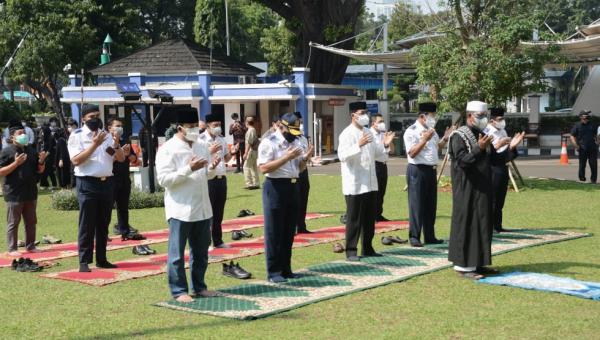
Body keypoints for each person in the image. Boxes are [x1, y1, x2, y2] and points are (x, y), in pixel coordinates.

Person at [156, 107, 221, 302]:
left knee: (201, 252)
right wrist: (188, 168)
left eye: (195, 126)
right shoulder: (168, 149)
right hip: (180, 209)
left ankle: (199, 287)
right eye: (190, 127)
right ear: (179, 128)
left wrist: (211, 168)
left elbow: (204, 175)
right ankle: (179, 291)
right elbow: (164, 180)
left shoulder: (200, 145)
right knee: (177, 254)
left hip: (202, 207)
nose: (194, 130)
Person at [68, 104, 125, 272]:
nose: (95, 119)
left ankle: (102, 259)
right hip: (87, 183)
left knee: (103, 223)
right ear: (84, 119)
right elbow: (76, 160)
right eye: (91, 116)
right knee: (87, 223)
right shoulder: (77, 136)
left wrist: (116, 144)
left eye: (97, 116)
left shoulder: (106, 135)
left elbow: (120, 158)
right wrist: (94, 145)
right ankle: (84, 261)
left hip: (106, 182)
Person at [447, 100, 498, 280]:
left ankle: (479, 263)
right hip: (466, 188)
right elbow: (462, 161)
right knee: (468, 223)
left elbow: (495, 160)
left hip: (482, 187)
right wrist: (479, 149)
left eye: (485, 116)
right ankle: (463, 266)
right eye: (481, 116)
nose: (484, 119)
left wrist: (512, 148)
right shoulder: (458, 135)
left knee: (482, 224)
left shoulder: (482, 134)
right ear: (470, 116)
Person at [338, 102, 395, 261]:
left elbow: (378, 153)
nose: (365, 116)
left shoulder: (368, 132)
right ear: (353, 115)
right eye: (362, 112)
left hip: (370, 182)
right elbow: (342, 156)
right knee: (354, 219)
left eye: (366, 113)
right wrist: (358, 144)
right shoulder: (346, 134)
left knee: (369, 219)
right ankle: (351, 250)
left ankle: (368, 248)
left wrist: (385, 143)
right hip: (355, 183)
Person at [257, 112, 307, 283]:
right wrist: (287, 157)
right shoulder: (269, 142)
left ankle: (286, 269)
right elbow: (264, 169)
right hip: (275, 187)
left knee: (288, 230)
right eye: (290, 131)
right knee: (274, 231)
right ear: (281, 126)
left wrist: (305, 160)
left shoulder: (297, 140)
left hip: (293, 186)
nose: (293, 136)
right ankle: (274, 271)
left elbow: (298, 168)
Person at [403, 103, 452, 247]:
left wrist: (445, 138)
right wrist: (424, 139)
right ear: (422, 116)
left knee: (431, 205)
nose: (434, 118)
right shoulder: (411, 131)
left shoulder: (432, 131)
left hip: (431, 170)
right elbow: (411, 153)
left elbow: (437, 147)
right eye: (432, 115)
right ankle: (414, 236)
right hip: (417, 170)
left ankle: (430, 236)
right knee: (417, 204)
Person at [0, 121, 47, 256]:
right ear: (12, 137)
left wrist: (42, 161)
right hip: (14, 192)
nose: (23, 135)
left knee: (31, 221)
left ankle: (30, 246)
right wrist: (16, 163)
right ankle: (12, 248)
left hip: (30, 191)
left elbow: (39, 171)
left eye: (24, 133)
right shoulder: (6, 151)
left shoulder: (31, 150)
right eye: (20, 133)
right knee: (13, 222)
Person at [485, 108, 525, 233]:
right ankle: (489, 227)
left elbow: (507, 151)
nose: (502, 121)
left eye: (503, 119)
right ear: (492, 120)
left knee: (501, 199)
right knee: (493, 199)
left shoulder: (502, 130)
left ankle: (498, 226)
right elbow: (489, 151)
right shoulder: (486, 131)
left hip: (503, 165)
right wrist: (500, 144)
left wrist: (512, 146)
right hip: (492, 168)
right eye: (499, 119)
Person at [200, 114, 232, 248]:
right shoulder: (200, 140)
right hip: (209, 178)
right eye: (215, 125)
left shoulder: (221, 139)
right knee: (208, 212)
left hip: (221, 178)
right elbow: (197, 158)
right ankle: (206, 242)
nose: (218, 127)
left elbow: (226, 159)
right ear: (208, 126)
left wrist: (232, 152)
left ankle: (218, 240)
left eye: (219, 124)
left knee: (219, 212)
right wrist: (209, 150)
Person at [108, 118, 142, 238]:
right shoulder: (106, 142)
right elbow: (107, 158)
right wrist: (120, 152)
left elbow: (134, 159)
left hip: (124, 178)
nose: (119, 128)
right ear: (109, 128)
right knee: (107, 208)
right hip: (111, 178)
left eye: (121, 126)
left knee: (123, 207)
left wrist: (128, 155)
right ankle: (102, 233)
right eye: (117, 126)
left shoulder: (125, 141)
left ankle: (124, 230)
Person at [294, 112, 314, 234]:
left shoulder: (303, 138)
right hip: (294, 172)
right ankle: (294, 226)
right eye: (298, 122)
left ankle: (302, 225)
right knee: (295, 200)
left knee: (303, 198)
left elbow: (306, 155)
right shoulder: (290, 139)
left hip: (304, 171)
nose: (300, 125)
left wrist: (311, 158)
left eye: (301, 122)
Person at [370, 113, 392, 222]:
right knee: (375, 192)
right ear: (373, 123)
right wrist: (385, 144)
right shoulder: (370, 134)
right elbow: (374, 152)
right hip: (374, 164)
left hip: (383, 164)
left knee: (382, 191)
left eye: (383, 121)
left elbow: (390, 150)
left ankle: (378, 214)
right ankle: (372, 215)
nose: (382, 124)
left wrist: (389, 142)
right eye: (380, 122)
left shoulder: (383, 133)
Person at [570, 110, 599, 184]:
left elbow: (597, 135)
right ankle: (582, 178)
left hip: (592, 148)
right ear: (580, 118)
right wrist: (575, 146)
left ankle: (593, 180)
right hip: (582, 148)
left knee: (593, 165)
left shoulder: (593, 125)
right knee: (582, 164)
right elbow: (572, 136)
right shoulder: (577, 125)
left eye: (587, 118)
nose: (586, 119)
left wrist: (598, 141)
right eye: (584, 118)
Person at [39, 120, 58, 190]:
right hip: (45, 156)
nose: (42, 133)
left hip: (50, 157)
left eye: (43, 131)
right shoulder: (45, 138)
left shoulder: (51, 138)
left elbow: (50, 150)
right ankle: (44, 185)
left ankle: (54, 185)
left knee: (50, 171)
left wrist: (44, 157)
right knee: (44, 171)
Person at [243, 116, 260, 189]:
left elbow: (249, 143)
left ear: (246, 122)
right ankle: (256, 183)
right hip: (255, 150)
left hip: (251, 150)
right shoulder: (253, 129)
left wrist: (245, 153)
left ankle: (249, 183)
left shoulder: (250, 130)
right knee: (254, 167)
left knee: (246, 167)